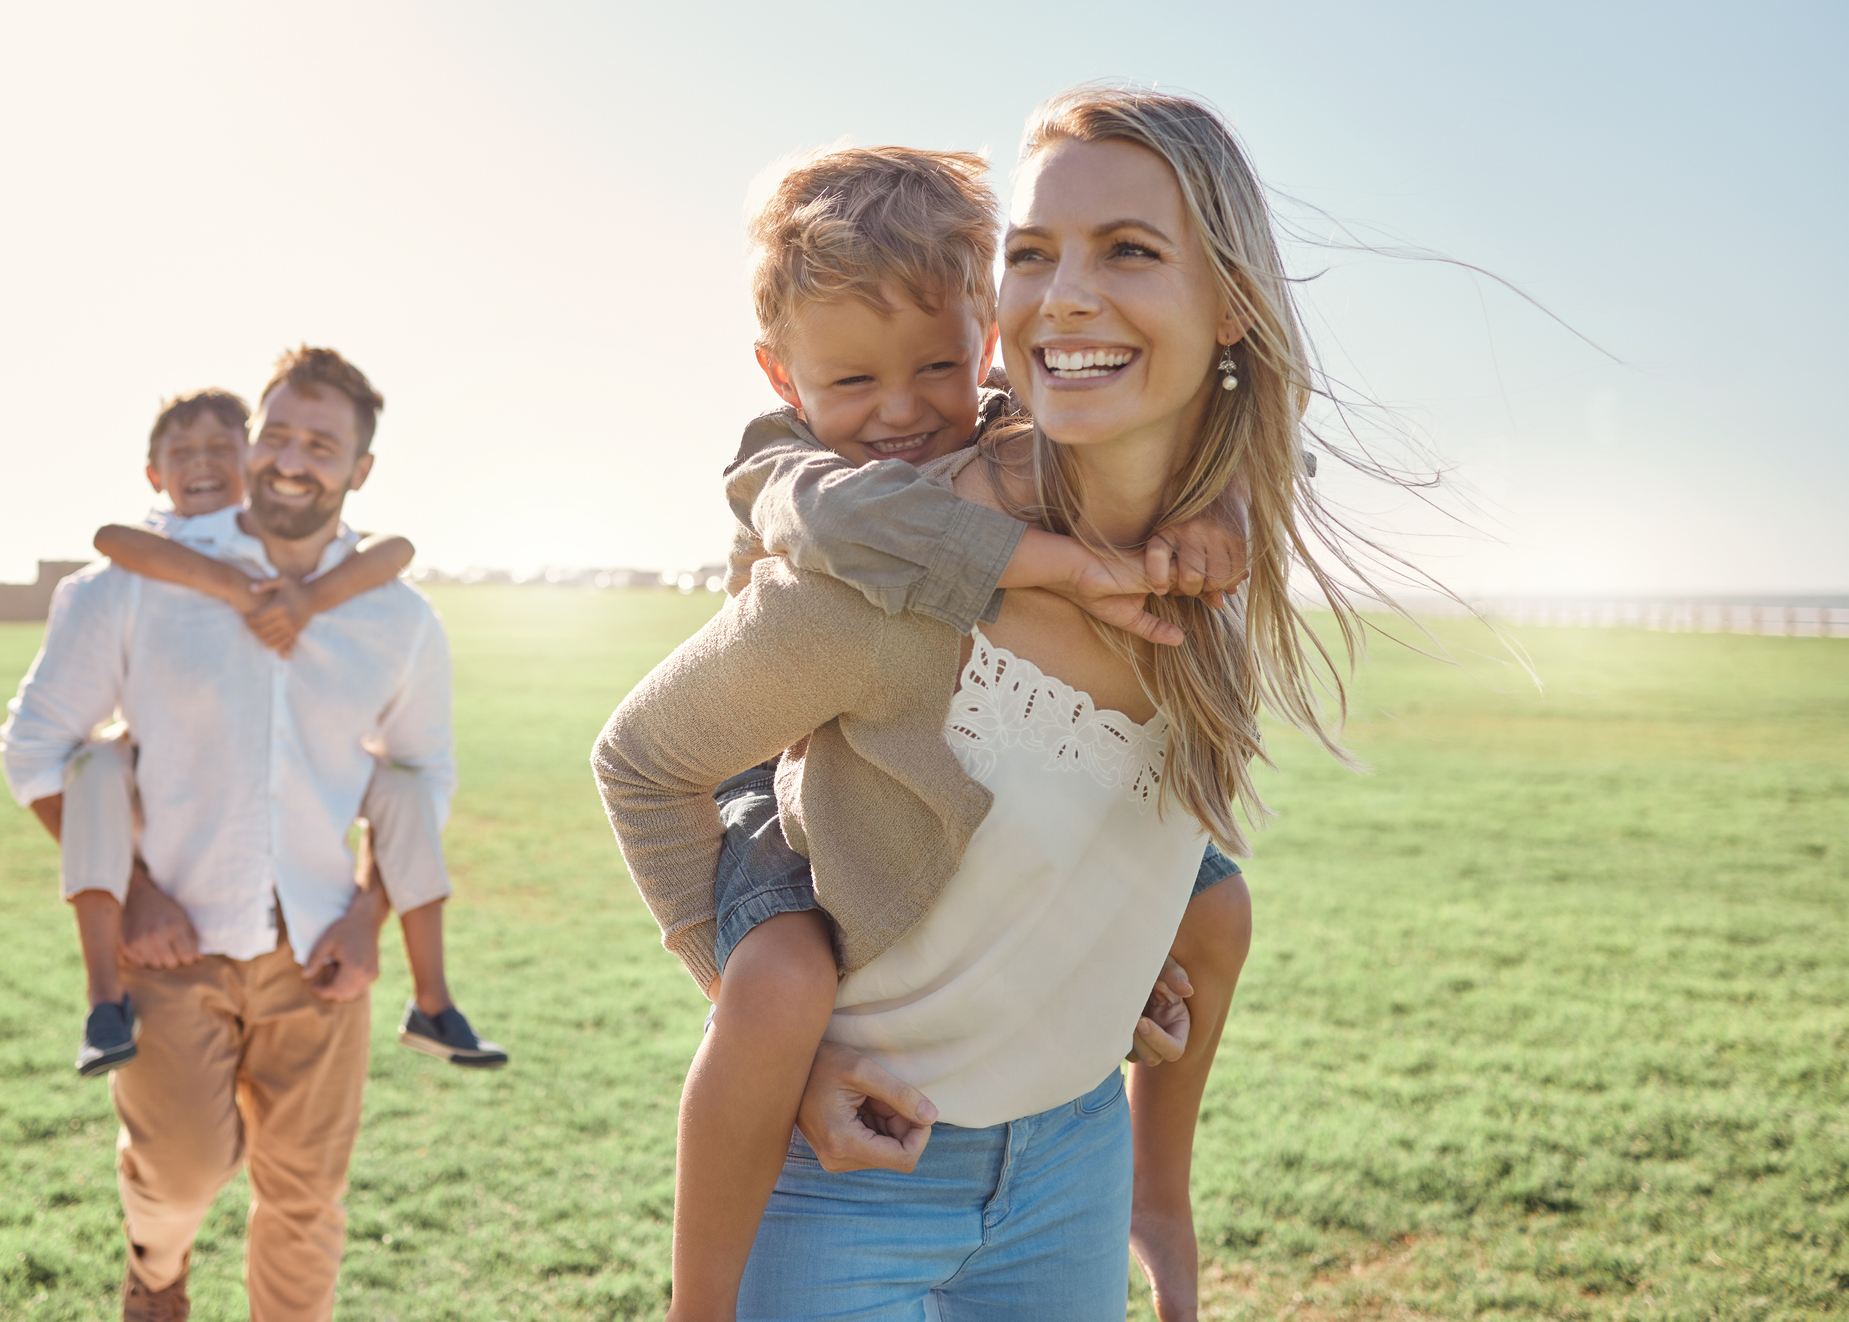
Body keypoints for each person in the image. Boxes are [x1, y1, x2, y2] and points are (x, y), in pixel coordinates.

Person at [596, 84, 1401, 1319]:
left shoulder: (1209, 548)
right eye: (1038, 254)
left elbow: (1236, 448)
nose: (903, 409)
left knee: (1217, 908)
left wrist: (1084, 965)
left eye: (1128, 250)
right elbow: (650, 748)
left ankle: (1158, 1193)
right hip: (857, 1161)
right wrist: (776, 1033)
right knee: (779, 982)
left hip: (1074, 1154)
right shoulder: (863, 555)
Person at [1, 346, 459, 1321]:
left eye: (323, 444)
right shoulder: (133, 587)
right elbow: (37, 753)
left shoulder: (398, 617)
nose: (294, 460)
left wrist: (369, 916)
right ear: (252, 441)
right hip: (172, 949)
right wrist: (133, 890)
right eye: (279, 433)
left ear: (359, 469)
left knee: (306, 1203)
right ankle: (155, 1270)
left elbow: (423, 777)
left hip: (322, 953)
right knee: (182, 1177)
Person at [59, 386, 504, 1074]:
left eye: (220, 449)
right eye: (181, 454)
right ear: (156, 473)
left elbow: (397, 548)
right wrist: (238, 592)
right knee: (94, 767)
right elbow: (111, 540)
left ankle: (434, 999)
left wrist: (308, 600)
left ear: (248, 460)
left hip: (307, 884)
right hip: (164, 804)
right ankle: (102, 999)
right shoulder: (165, 546)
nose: (202, 466)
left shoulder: (300, 551)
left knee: (409, 787)